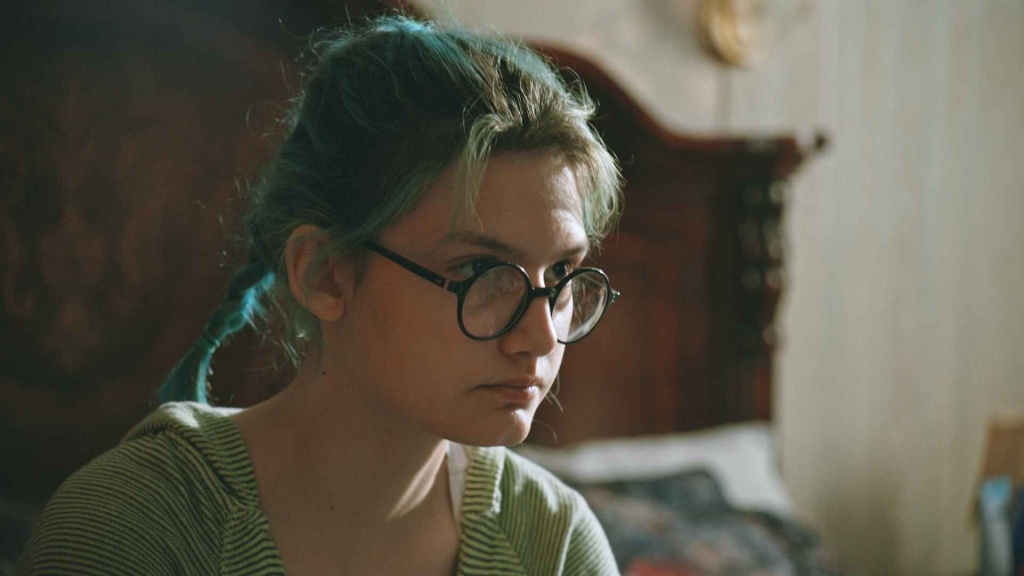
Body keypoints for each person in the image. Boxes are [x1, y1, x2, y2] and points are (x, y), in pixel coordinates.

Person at [17, 14, 622, 576]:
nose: (541, 335)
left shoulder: (556, 544)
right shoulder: (130, 529)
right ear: (325, 274)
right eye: (481, 270)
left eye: (561, 274)